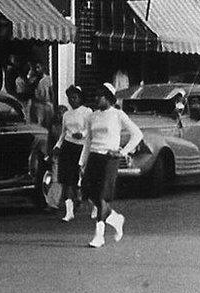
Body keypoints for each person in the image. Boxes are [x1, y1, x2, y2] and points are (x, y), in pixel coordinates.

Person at [79, 83, 144, 248]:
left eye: (99, 95)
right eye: (95, 95)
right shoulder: (92, 116)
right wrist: (82, 162)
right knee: (89, 194)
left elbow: (137, 134)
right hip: (94, 157)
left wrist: (122, 152)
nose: (96, 98)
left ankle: (99, 236)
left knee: (101, 196)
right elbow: (88, 141)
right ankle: (116, 219)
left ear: (108, 97)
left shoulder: (118, 114)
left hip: (109, 158)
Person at [53, 85, 91, 222]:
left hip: (81, 147)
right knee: (67, 179)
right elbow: (63, 133)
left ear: (80, 98)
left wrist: (82, 134)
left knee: (81, 177)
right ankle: (69, 212)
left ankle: (91, 203)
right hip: (68, 147)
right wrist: (57, 146)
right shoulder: (66, 115)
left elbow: (89, 130)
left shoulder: (87, 112)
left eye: (74, 98)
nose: (72, 100)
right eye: (70, 98)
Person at [30, 63, 57, 134]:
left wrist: (52, 102)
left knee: (49, 123)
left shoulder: (48, 79)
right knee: (40, 123)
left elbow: (51, 91)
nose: (37, 70)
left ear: (43, 68)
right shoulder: (35, 80)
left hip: (47, 104)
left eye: (38, 67)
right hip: (39, 104)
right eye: (36, 68)